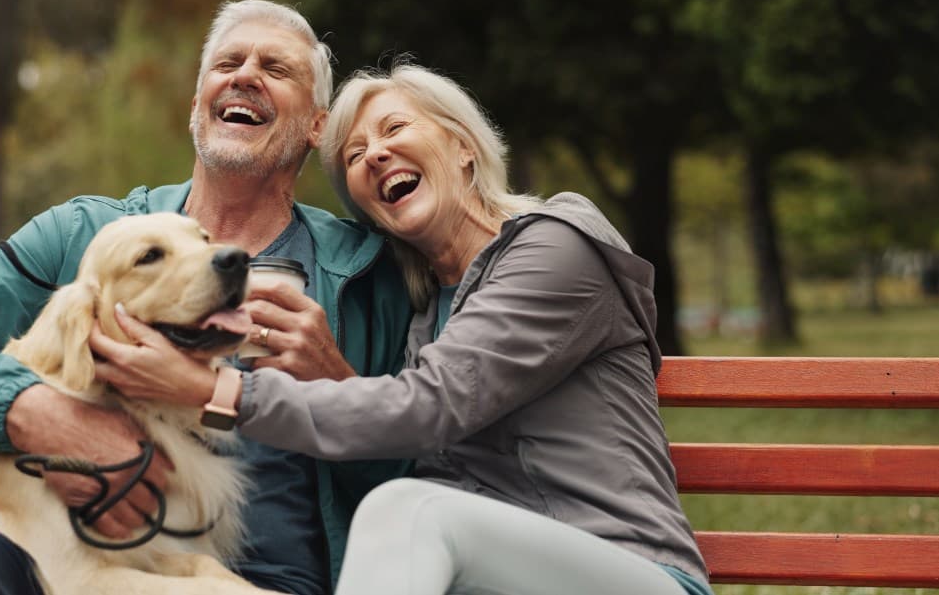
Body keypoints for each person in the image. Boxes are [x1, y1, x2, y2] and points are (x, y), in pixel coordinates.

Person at [90, 63, 714, 595]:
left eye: (393, 129)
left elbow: (430, 405)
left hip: (628, 567)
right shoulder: (423, 316)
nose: (376, 154)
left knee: (407, 511)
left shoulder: (554, 251)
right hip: (490, 578)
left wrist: (210, 391)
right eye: (355, 156)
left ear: (464, 146)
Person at [0, 0, 412, 595]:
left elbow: (417, 481)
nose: (245, 75)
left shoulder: (369, 271)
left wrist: (339, 390)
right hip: (83, 566)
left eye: (276, 70)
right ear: (196, 104)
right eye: (228, 62)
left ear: (317, 126)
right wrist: (41, 417)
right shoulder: (80, 236)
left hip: (271, 579)